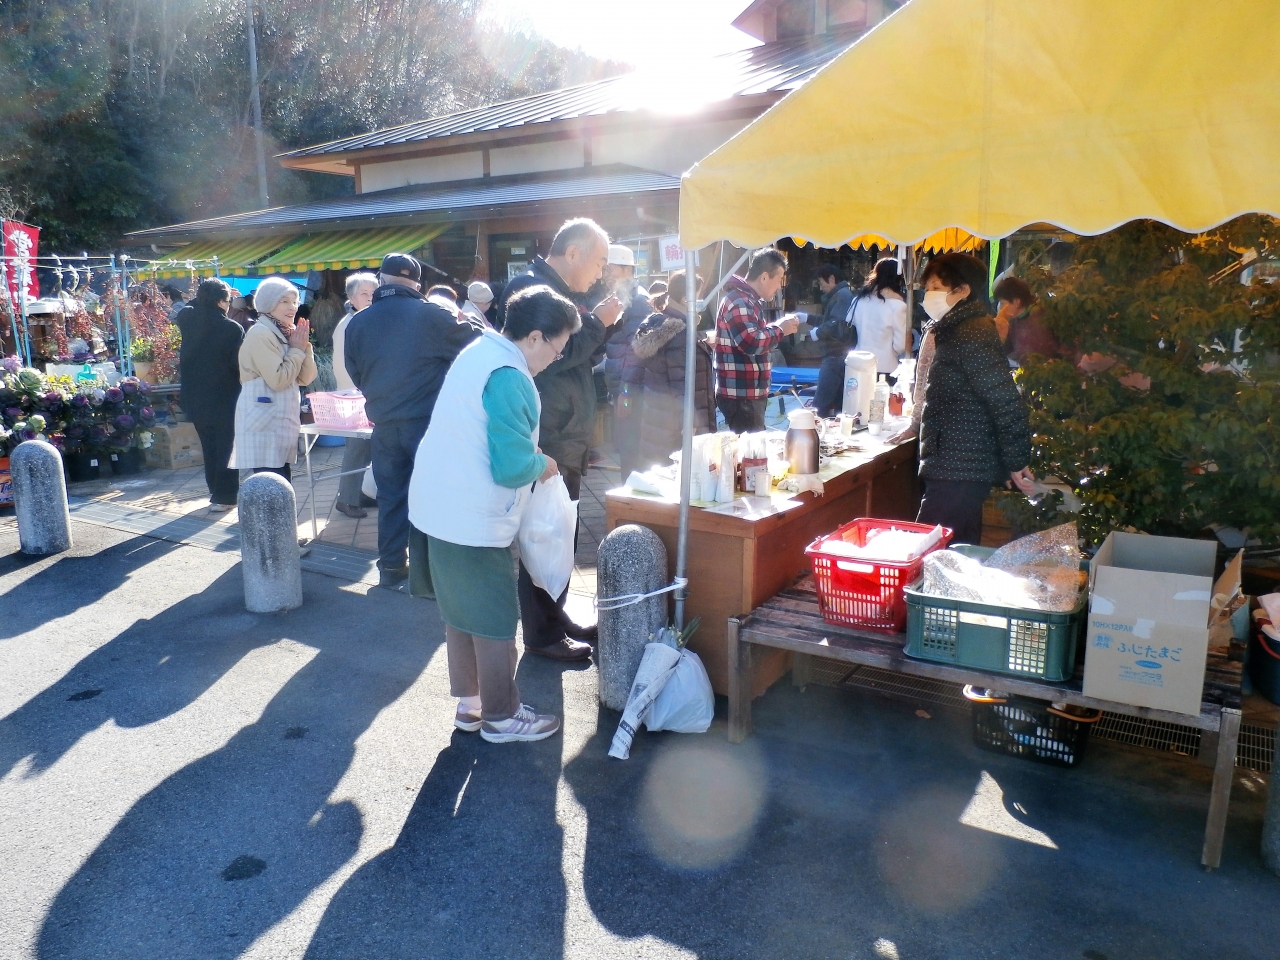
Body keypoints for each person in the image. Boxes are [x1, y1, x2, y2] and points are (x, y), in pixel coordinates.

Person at [408, 286, 580, 741]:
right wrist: (543, 463)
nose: (554, 360)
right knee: (493, 618)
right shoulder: (511, 374)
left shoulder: (480, 349)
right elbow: (510, 467)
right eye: (557, 350)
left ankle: (472, 706)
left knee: (460, 612)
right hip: (474, 515)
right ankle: (502, 717)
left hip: (436, 504)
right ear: (536, 337)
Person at [497, 218, 624, 661]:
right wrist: (597, 324)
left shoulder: (556, 290)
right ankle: (543, 634)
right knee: (544, 535)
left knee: (559, 532)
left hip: (563, 430)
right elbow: (553, 355)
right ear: (573, 253)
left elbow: (567, 352)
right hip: (548, 433)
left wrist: (596, 326)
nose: (600, 273)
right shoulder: (533, 289)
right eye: (599, 262)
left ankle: (555, 619)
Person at [344, 253, 480, 588]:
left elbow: (356, 373)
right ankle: (428, 573)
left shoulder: (358, 322)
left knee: (390, 496)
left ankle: (391, 567)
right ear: (417, 284)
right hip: (428, 423)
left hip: (385, 423)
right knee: (433, 496)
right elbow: (477, 344)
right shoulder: (432, 315)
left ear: (381, 280)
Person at [914, 252, 1036, 545]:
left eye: (935, 288)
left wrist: (1016, 460)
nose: (928, 295)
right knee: (956, 549)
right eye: (927, 288)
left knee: (929, 549)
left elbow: (1003, 400)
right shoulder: (956, 329)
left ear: (963, 290)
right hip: (957, 462)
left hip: (960, 466)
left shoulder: (971, 332)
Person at [229, 276, 317, 481]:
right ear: (268, 304)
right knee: (270, 487)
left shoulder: (286, 332)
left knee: (281, 485)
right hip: (263, 426)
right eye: (284, 301)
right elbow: (278, 380)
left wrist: (304, 347)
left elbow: (305, 378)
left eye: (294, 301)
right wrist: (296, 349)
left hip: (279, 425)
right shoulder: (261, 333)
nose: (292, 307)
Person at [633, 269, 716, 469]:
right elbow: (681, 381)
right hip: (678, 427)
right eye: (698, 295)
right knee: (680, 478)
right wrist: (689, 420)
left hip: (661, 421)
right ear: (687, 298)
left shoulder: (664, 323)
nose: (701, 300)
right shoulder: (680, 333)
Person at [714, 247, 801, 432]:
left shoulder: (748, 300)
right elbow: (751, 342)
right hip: (742, 395)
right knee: (751, 455)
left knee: (752, 452)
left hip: (746, 394)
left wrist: (779, 328)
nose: (779, 287)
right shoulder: (740, 301)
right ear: (764, 277)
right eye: (778, 280)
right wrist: (781, 329)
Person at [176, 278, 243, 512]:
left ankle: (215, 492)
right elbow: (237, 365)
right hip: (225, 396)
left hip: (194, 396)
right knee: (227, 447)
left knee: (209, 447)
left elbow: (191, 306)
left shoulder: (186, 319)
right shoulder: (232, 328)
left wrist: (209, 295)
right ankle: (225, 497)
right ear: (222, 301)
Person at [600, 244, 654, 480]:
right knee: (629, 454)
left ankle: (632, 510)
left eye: (609, 269)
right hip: (626, 390)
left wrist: (626, 392)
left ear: (625, 269)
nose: (605, 275)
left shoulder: (637, 301)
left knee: (632, 456)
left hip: (632, 393)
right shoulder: (626, 297)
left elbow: (637, 352)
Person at [331, 271, 378, 519]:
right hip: (355, 396)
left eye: (373, 293)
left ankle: (357, 495)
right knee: (357, 449)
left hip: (360, 394)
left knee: (365, 449)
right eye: (364, 293)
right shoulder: (352, 324)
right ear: (351, 297)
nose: (370, 298)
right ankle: (347, 499)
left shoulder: (360, 320)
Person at [849, 258, 909, 376]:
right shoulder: (898, 306)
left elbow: (851, 326)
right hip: (885, 366)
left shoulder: (858, 300)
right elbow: (900, 345)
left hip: (857, 364)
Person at [809, 263, 856, 417]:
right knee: (838, 406)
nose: (821, 288)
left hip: (835, 355)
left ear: (831, 279)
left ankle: (812, 435)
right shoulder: (842, 294)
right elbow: (829, 319)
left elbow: (835, 322)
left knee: (819, 406)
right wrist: (807, 318)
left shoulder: (842, 295)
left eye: (822, 283)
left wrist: (818, 333)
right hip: (839, 355)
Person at [992, 275, 1062, 366]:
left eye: (1002, 303)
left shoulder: (1043, 316)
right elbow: (1005, 350)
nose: (1000, 308)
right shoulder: (1011, 320)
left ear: (1017, 301)